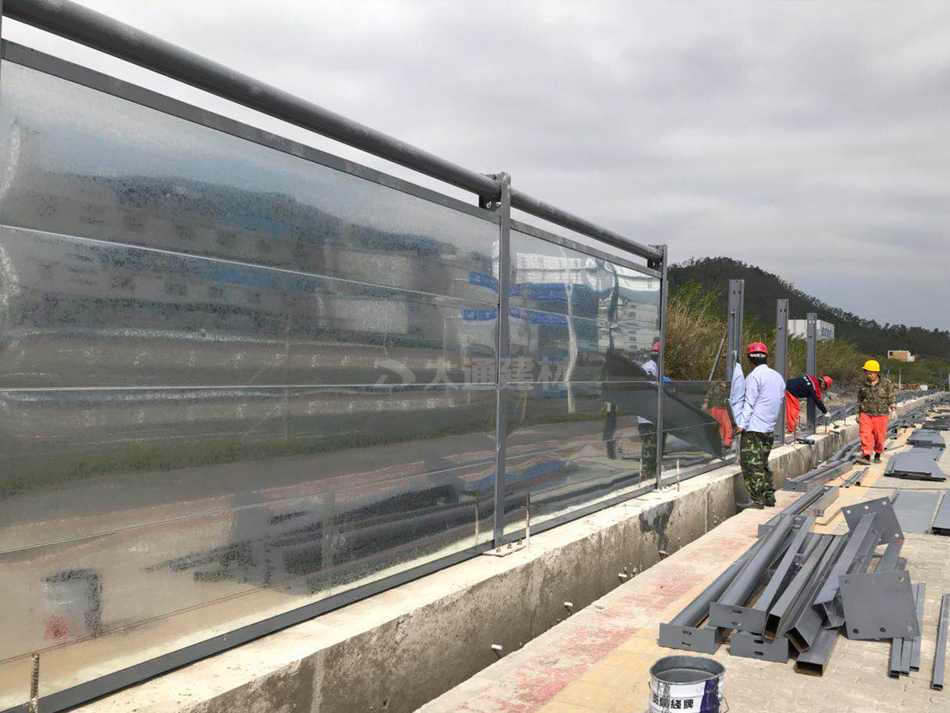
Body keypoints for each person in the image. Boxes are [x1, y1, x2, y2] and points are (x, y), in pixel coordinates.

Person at [735, 342, 786, 508]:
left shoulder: (753, 377)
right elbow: (779, 400)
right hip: (768, 429)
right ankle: (769, 497)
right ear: (766, 358)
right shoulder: (777, 377)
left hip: (753, 429)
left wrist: (741, 425)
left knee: (751, 465)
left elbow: (749, 403)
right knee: (763, 463)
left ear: (750, 360)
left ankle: (757, 501)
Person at [856, 359, 896, 465]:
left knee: (880, 437)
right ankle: (866, 456)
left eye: (871, 373)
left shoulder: (886, 383)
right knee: (865, 435)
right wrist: (858, 414)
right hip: (866, 414)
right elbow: (860, 399)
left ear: (876, 372)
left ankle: (878, 454)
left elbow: (891, 396)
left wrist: (893, 409)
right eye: (867, 373)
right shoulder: (863, 384)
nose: (868, 375)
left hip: (881, 415)